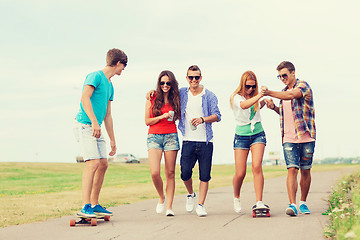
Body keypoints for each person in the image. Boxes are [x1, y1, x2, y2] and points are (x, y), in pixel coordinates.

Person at [73, 48, 128, 217]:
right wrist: (95, 123)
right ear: (118, 63)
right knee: (93, 163)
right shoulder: (95, 76)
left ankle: (95, 204)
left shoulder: (110, 85)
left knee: (103, 164)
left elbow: (108, 114)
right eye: (123, 66)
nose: (123, 70)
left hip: (96, 127)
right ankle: (85, 206)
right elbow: (84, 98)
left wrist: (112, 139)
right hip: (85, 125)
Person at [261, 61, 316, 216]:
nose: (282, 78)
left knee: (305, 170)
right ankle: (292, 205)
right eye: (279, 76)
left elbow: (292, 95)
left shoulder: (303, 86)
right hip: (288, 137)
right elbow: (286, 113)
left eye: (284, 75)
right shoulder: (282, 92)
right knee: (292, 169)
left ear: (293, 72)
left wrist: (268, 92)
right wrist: (273, 108)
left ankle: (303, 203)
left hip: (306, 136)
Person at [179, 65, 221, 217]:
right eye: (191, 77)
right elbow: (166, 95)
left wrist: (203, 119)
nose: (194, 80)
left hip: (205, 142)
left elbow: (217, 116)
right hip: (188, 140)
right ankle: (191, 194)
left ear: (201, 78)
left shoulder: (209, 95)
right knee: (184, 174)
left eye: (197, 77)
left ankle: (201, 205)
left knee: (204, 175)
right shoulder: (182, 93)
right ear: (187, 78)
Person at [230, 71, 269, 214]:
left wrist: (265, 101)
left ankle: (259, 201)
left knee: (257, 166)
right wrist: (260, 96)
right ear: (242, 84)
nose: (251, 89)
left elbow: (254, 109)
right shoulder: (235, 97)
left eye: (253, 86)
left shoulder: (255, 96)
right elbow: (244, 106)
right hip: (241, 136)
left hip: (258, 133)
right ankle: (236, 196)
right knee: (240, 173)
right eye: (248, 86)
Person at [145, 70, 181, 216]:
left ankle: (169, 207)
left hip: (171, 136)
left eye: (168, 83)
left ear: (172, 84)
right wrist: (161, 116)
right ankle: (161, 197)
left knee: (170, 173)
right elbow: (147, 121)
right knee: (154, 172)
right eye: (162, 83)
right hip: (154, 136)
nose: (165, 85)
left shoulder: (177, 98)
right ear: (159, 84)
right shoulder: (152, 97)